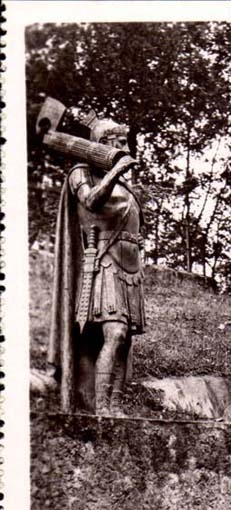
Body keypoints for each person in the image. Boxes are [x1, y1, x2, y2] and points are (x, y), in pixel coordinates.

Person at [48, 118, 144, 415]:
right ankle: (101, 408)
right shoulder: (81, 172)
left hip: (131, 266)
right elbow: (91, 202)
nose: (126, 149)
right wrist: (115, 171)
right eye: (121, 142)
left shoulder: (126, 184)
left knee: (124, 339)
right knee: (114, 333)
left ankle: (115, 406)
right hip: (104, 263)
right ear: (105, 143)